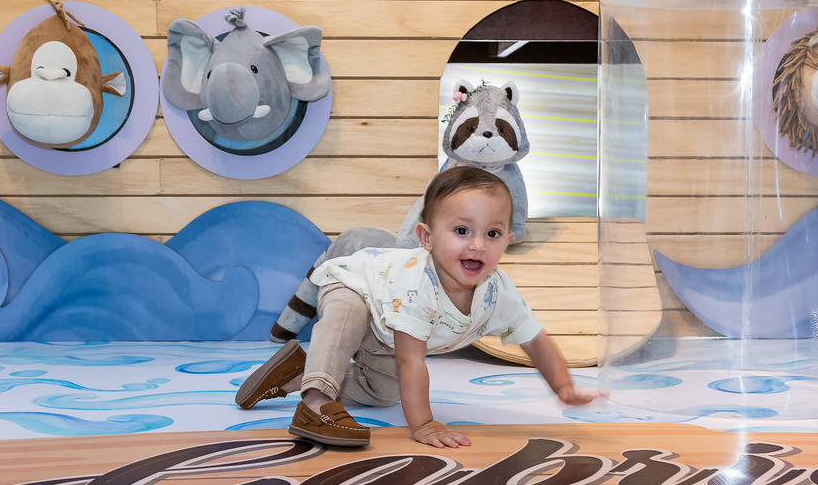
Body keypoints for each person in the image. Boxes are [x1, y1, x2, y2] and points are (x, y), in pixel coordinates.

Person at [235, 166, 600, 448]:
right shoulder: (419, 285)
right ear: (426, 237)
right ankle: (314, 404)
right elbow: (412, 360)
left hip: (386, 334)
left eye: (492, 234)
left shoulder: (497, 293)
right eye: (461, 231)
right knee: (345, 318)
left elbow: (535, 340)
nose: (477, 245)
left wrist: (563, 386)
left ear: (508, 240)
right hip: (359, 286)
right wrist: (423, 424)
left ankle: (293, 377)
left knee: (382, 394)